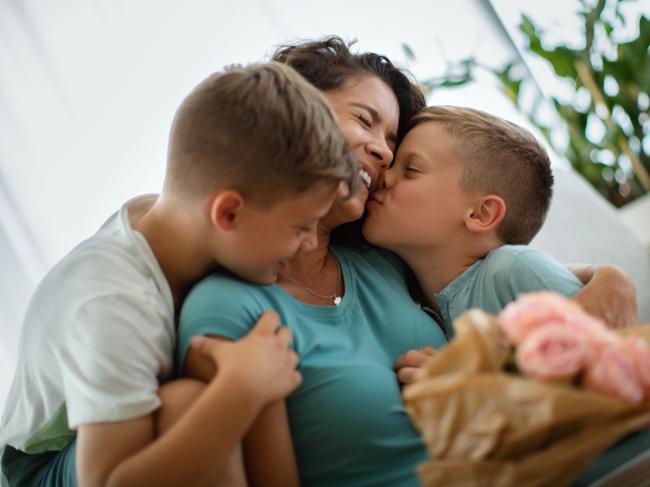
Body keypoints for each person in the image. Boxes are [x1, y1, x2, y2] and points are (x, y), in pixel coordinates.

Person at [177, 38, 639, 487]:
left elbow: (492, 267)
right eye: (365, 119)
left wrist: (606, 277)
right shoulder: (229, 307)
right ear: (290, 109)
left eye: (395, 145)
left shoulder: (386, 262)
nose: (384, 153)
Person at [0, 62, 359, 486]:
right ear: (228, 212)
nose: (310, 244)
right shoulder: (116, 302)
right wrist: (242, 389)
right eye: (300, 228)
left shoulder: (170, 220)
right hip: (44, 470)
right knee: (187, 403)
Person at [363, 105, 583, 336]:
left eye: (411, 169)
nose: (384, 176)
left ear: (481, 214)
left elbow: (613, 353)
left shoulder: (513, 269)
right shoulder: (418, 306)